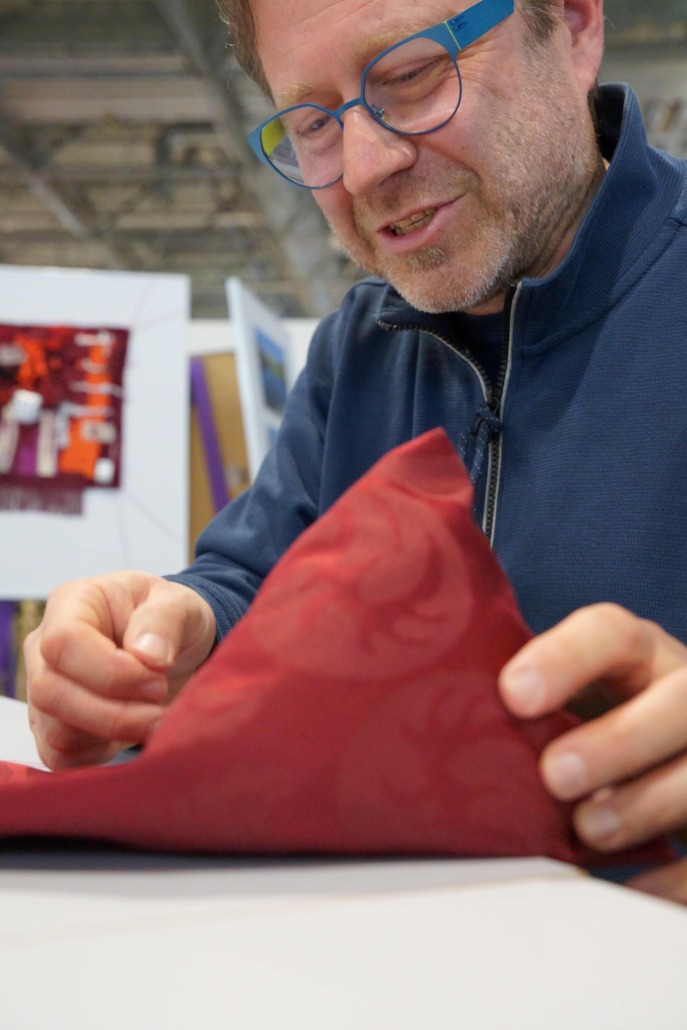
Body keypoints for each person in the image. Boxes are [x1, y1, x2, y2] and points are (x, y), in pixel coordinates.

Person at [23, 0, 687, 902]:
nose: (367, 167)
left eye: (413, 77)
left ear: (570, 26)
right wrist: (174, 635)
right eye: (313, 124)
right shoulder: (362, 343)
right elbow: (256, 576)